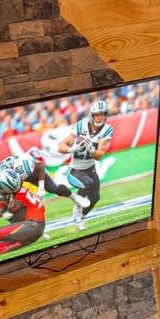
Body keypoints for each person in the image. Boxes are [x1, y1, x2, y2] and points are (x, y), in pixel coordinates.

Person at [49, 97, 116, 230]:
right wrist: (71, 149)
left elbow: (99, 156)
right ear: (91, 115)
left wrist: (91, 149)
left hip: (90, 169)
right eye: (97, 114)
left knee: (95, 197)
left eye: (102, 114)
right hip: (75, 170)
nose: (99, 117)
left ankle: (81, 218)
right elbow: (60, 147)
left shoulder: (107, 130)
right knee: (88, 183)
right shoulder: (81, 126)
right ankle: (77, 205)